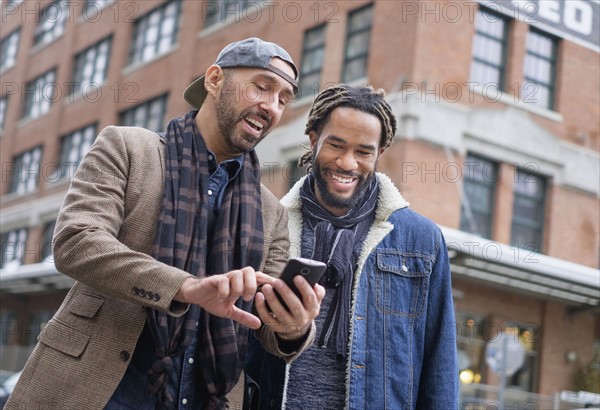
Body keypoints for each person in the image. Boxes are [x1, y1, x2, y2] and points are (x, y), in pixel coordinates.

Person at [5, 38, 324, 410]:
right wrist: (185, 287)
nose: (271, 106)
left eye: (283, 98)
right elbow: (78, 242)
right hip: (95, 390)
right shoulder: (126, 147)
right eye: (261, 86)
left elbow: (265, 327)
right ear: (215, 80)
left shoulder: (272, 213)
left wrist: (294, 326)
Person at [247, 84, 459, 409]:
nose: (347, 163)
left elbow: (439, 361)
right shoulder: (267, 223)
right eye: (337, 145)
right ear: (314, 140)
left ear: (379, 154)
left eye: (363, 152)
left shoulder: (421, 240)